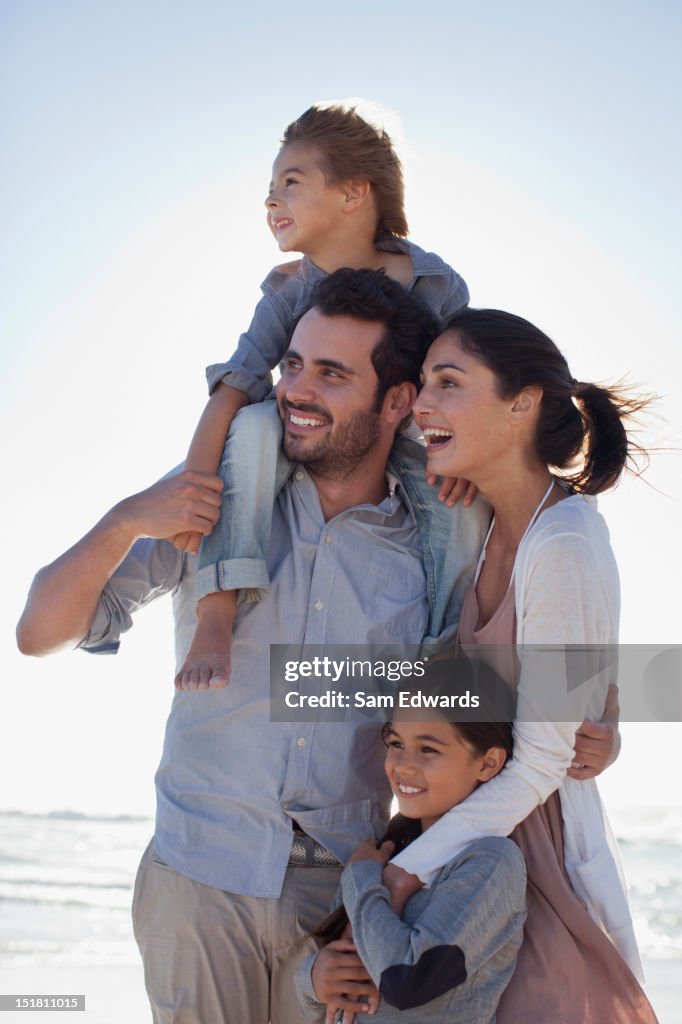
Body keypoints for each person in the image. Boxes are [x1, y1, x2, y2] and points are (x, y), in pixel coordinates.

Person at [16, 269, 489, 1024]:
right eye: (293, 364)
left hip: (343, 902)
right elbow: (37, 633)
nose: (297, 390)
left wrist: (595, 713)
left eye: (332, 373)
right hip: (199, 880)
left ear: (397, 401)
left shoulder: (425, 555)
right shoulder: (218, 499)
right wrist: (121, 521)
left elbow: (479, 696)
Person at [385, 309, 658, 1022]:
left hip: (531, 862)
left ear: (522, 403)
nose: (422, 403)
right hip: (475, 849)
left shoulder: (563, 542)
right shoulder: (484, 529)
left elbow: (541, 762)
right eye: (423, 384)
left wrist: (404, 869)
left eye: (449, 383)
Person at [174, 102, 473, 691]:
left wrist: (458, 457)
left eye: (291, 182)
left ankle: (445, 661)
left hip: (404, 442)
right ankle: (218, 607)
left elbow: (462, 385)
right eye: (268, 188)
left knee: (464, 508)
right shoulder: (290, 291)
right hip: (309, 438)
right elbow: (233, 389)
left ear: (353, 193)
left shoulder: (434, 284)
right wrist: (194, 486)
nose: (270, 200)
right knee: (256, 427)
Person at [297, 676, 528, 1024]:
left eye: (428, 749)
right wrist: (314, 980)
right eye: (395, 743)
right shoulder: (383, 854)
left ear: (488, 763)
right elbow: (333, 999)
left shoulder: (490, 862)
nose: (403, 764)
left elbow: (408, 981)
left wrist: (361, 879)